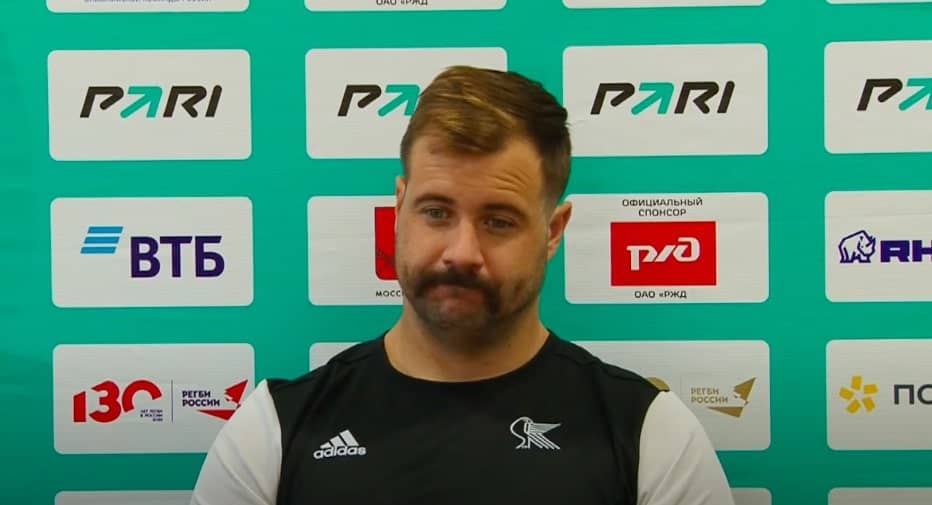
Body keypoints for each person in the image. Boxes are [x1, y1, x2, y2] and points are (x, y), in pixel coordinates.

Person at [189, 65, 736, 505]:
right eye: (436, 212)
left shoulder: (650, 435)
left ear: (553, 231)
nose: (462, 252)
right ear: (400, 207)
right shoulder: (273, 432)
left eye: (498, 221)